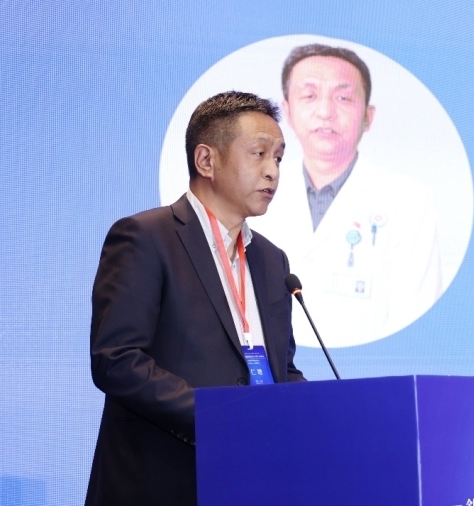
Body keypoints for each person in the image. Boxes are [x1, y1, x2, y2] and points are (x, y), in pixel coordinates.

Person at [85, 91, 305, 506]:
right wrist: (219, 418)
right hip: (161, 481)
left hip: (250, 482)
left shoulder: (272, 260)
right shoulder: (145, 238)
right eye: (259, 153)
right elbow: (117, 360)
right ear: (206, 160)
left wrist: (320, 413)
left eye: (278, 158)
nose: (272, 171)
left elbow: (282, 367)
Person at [267, 43, 443, 347]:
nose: (325, 112)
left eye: (343, 98)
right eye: (309, 96)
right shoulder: (258, 191)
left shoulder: (408, 201)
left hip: (368, 372)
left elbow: (417, 316)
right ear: (288, 112)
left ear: (368, 117)